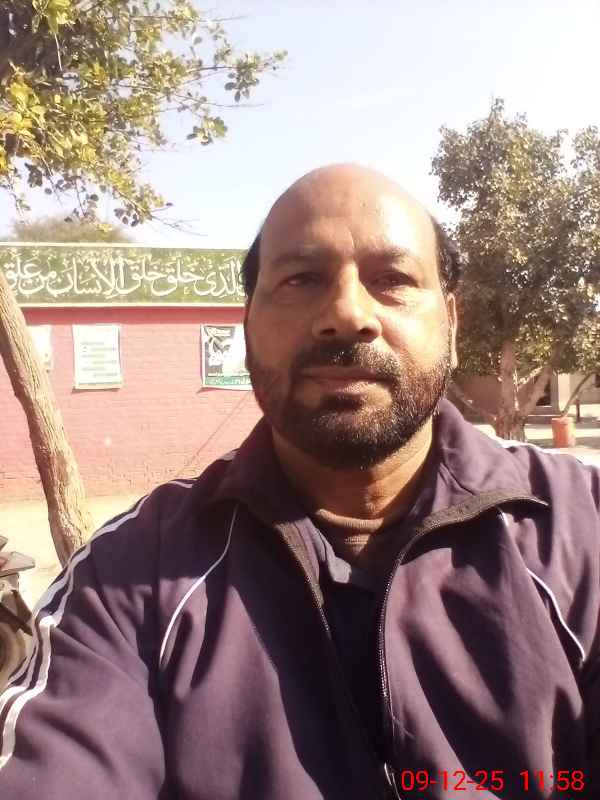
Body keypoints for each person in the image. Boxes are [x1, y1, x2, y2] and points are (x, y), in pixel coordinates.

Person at [1, 164, 599, 800]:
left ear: (450, 325)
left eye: (393, 280)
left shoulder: (579, 526)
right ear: (247, 327)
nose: (346, 314)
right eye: (300, 279)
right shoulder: (127, 577)